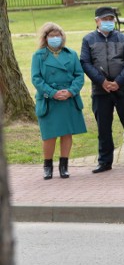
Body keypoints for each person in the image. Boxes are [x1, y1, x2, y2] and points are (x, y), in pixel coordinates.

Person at [80, 6, 124, 173]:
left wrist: (118, 81)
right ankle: (105, 161)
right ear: (97, 21)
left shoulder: (123, 38)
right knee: (103, 127)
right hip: (101, 91)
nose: (108, 22)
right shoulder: (88, 40)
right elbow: (85, 63)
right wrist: (102, 81)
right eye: (104, 19)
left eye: (111, 19)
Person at [30, 22, 87, 179]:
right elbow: (36, 78)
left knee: (66, 133)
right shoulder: (38, 56)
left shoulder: (71, 54)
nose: (55, 38)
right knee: (49, 135)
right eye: (51, 36)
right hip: (49, 101)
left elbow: (79, 75)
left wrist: (71, 91)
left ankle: (64, 166)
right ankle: (47, 166)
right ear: (45, 38)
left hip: (68, 99)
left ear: (62, 37)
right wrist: (52, 92)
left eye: (58, 35)